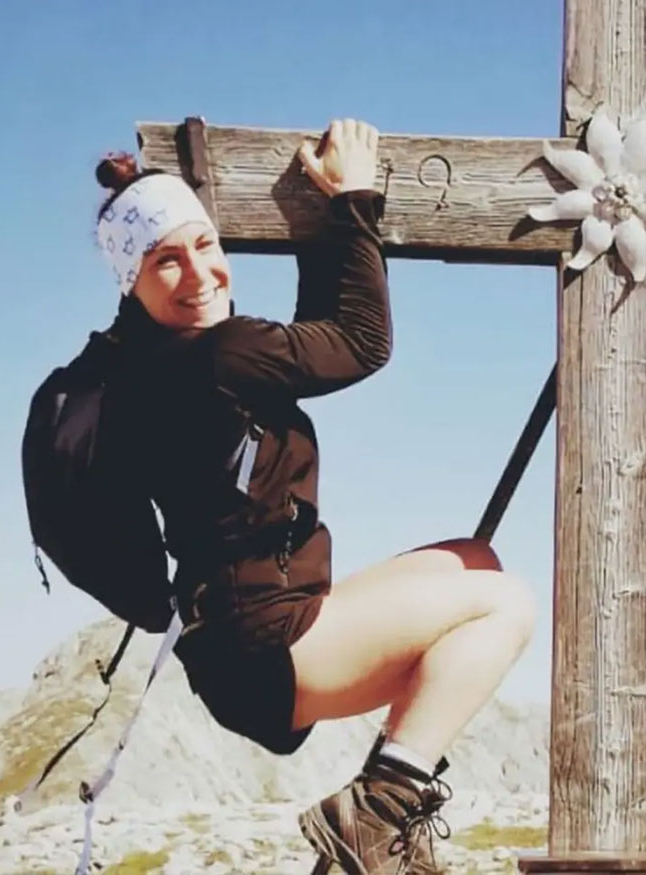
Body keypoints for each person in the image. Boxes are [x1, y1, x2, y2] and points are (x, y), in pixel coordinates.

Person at [92, 118, 537, 875]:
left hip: (232, 643)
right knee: (506, 603)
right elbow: (361, 341)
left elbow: (314, 340)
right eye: (166, 260)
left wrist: (327, 219)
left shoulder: (147, 364)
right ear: (129, 279)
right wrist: (353, 200)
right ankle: (381, 811)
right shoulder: (221, 355)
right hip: (266, 646)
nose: (199, 273)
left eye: (205, 246)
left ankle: (384, 809)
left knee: (469, 560)